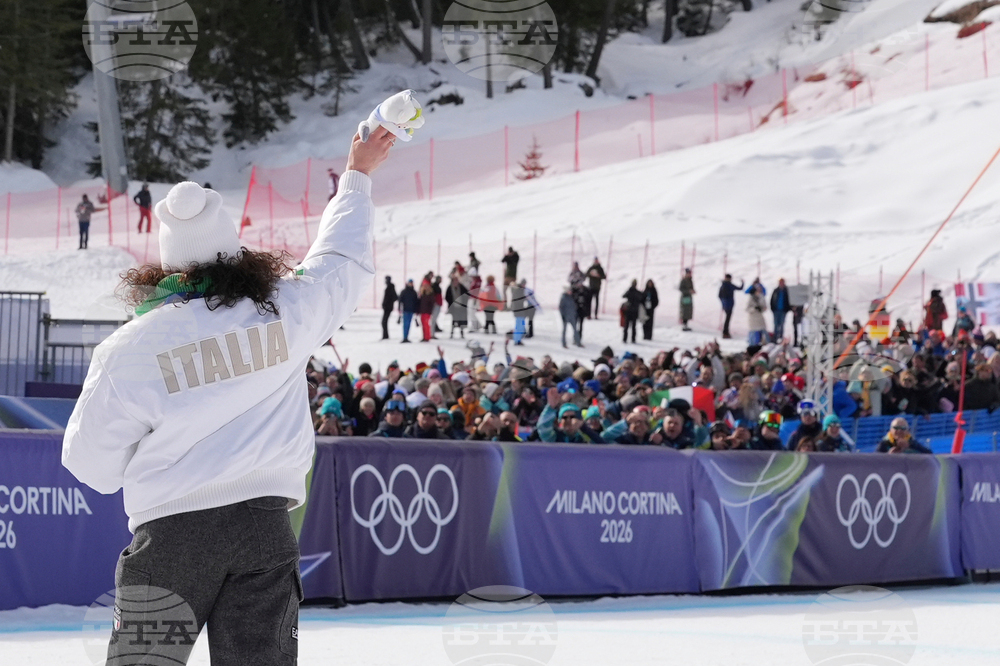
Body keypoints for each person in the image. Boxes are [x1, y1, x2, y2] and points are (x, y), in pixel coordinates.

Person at [61, 124, 395, 665]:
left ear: (168, 262)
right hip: (264, 528)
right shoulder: (285, 310)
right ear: (234, 249)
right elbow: (341, 263)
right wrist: (356, 176)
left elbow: (89, 465)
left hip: (171, 535)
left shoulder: (131, 347)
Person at [718, 274, 743, 339]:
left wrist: (722, 303)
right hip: (729, 304)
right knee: (728, 319)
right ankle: (725, 332)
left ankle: (726, 331)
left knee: (727, 318)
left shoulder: (723, 285)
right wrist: (743, 283)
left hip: (726, 304)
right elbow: (740, 288)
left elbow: (719, 295)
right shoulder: (729, 285)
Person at [770, 278, 791, 342]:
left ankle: (780, 338)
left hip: (783, 310)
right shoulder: (776, 290)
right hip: (776, 310)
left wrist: (787, 309)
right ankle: (775, 338)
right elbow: (772, 300)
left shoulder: (786, 291)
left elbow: (789, 300)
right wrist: (772, 308)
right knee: (776, 324)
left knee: (781, 324)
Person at [398, 278, 419, 342]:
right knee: (406, 324)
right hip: (406, 310)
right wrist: (399, 308)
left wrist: (416, 310)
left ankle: (406, 337)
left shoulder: (414, 292)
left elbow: (416, 302)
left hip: (411, 310)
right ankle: (405, 337)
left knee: (408, 324)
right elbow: (400, 300)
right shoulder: (404, 291)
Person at [622, 279, 642, 344]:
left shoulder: (631, 291)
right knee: (632, 326)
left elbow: (624, 295)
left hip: (630, 311)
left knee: (628, 326)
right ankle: (631, 339)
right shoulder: (636, 292)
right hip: (633, 311)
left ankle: (626, 339)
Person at [381, 275, 397, 340]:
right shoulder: (389, 287)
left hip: (388, 307)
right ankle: (385, 335)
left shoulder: (390, 287)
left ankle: (385, 336)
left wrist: (388, 303)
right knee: (384, 322)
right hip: (387, 307)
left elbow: (395, 297)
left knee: (384, 322)